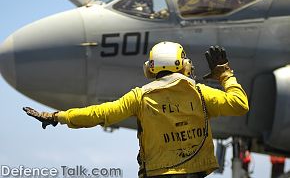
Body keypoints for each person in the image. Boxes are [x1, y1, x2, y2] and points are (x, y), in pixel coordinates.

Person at [23, 42, 249, 178]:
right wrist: (225, 75)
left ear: (151, 68)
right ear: (182, 64)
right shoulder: (200, 93)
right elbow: (240, 105)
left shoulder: (140, 97)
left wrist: (57, 116)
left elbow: (99, 114)